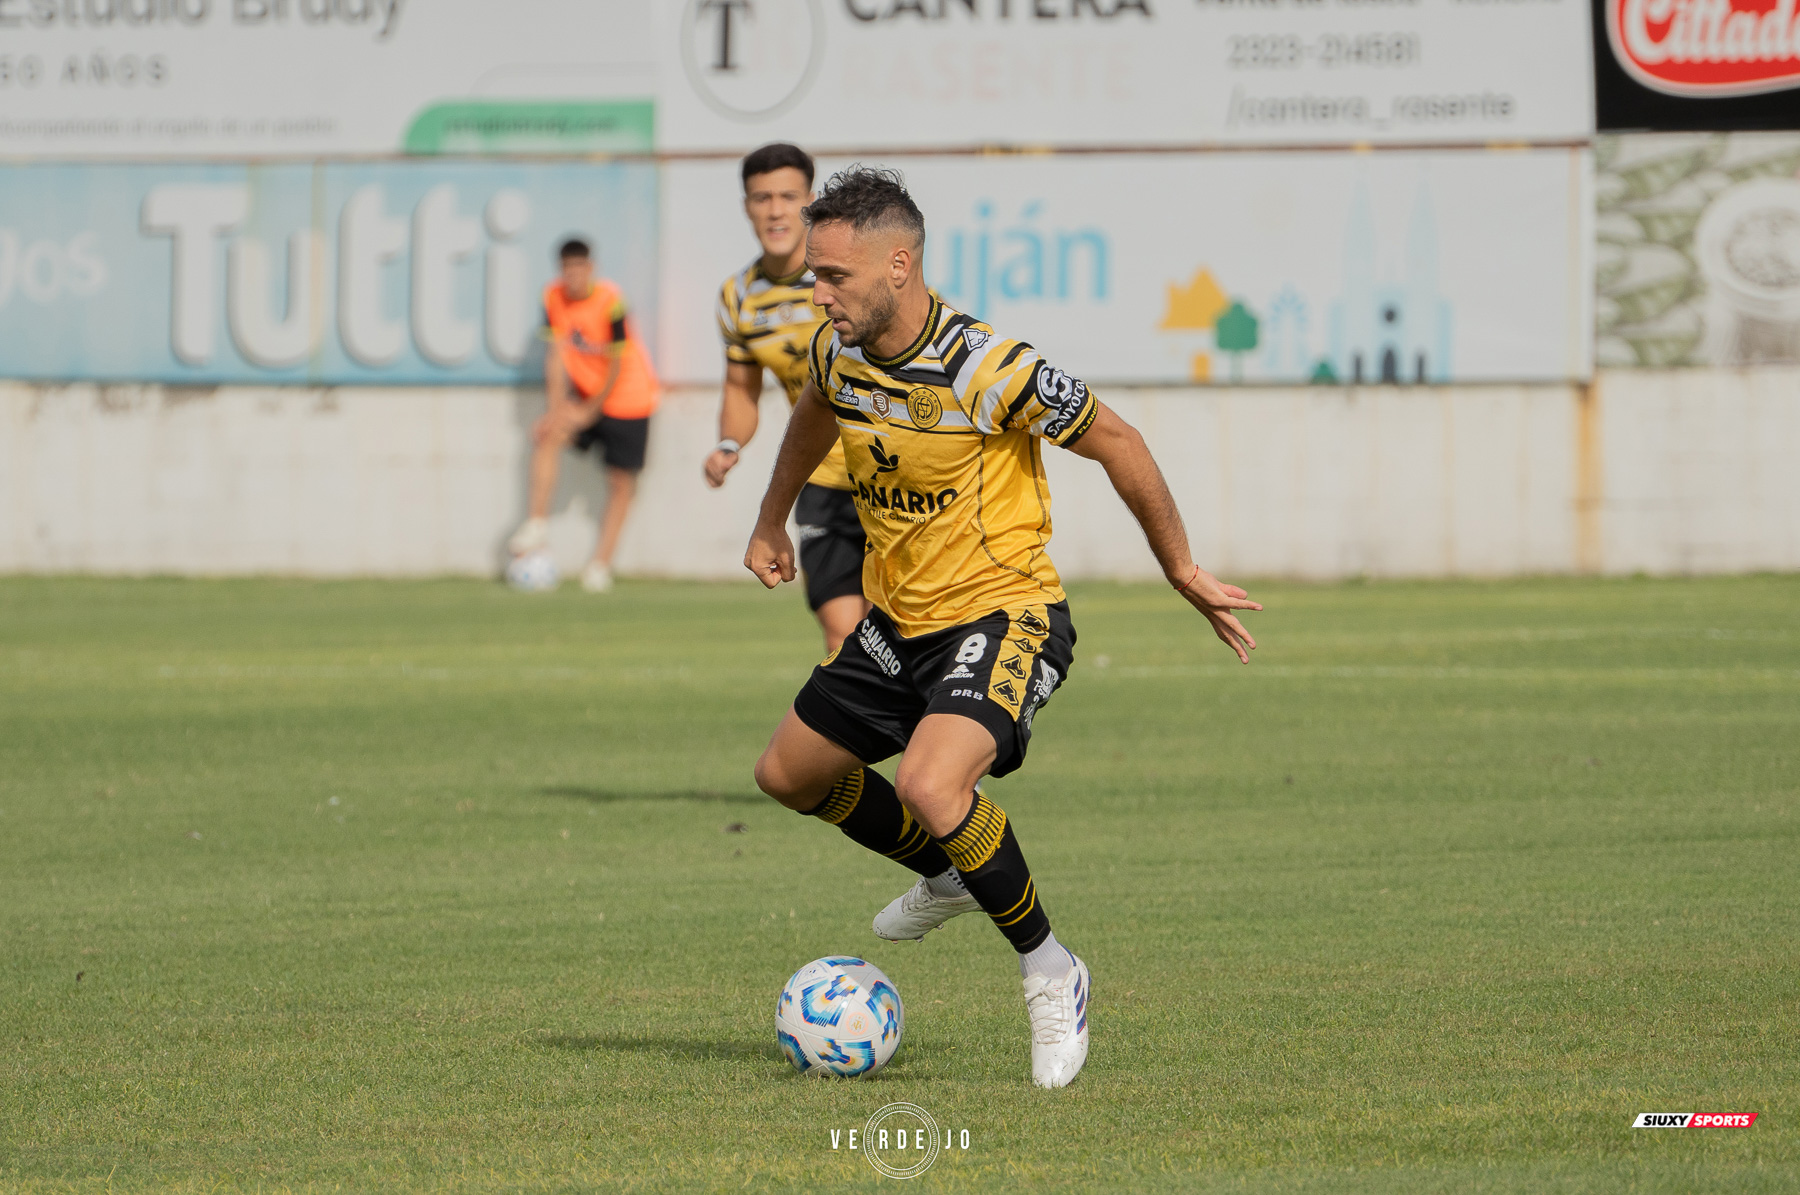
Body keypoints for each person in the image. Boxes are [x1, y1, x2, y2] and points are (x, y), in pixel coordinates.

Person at [743, 167, 1261, 1089]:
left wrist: (1181, 567)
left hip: (1005, 611)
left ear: (898, 265)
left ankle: (1051, 969)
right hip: (897, 622)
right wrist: (770, 515)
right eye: (813, 276)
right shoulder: (835, 350)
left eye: (834, 275)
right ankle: (947, 871)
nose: (816, 293)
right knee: (787, 773)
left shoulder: (991, 365)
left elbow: (1121, 442)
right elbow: (814, 412)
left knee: (932, 782)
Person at [705, 143, 869, 653]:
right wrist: (731, 441)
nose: (775, 210)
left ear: (810, 201)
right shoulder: (739, 298)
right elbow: (741, 387)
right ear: (746, 206)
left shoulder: (853, 275)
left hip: (892, 470)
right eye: (761, 198)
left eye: (786, 196)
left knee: (906, 635)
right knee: (843, 635)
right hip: (820, 478)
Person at [508, 238, 660, 593]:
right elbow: (556, 357)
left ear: (590, 267)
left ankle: (599, 566)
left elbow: (617, 360)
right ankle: (537, 523)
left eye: (579, 267)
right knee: (547, 433)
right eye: (566, 268)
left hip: (628, 398)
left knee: (621, 483)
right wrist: (558, 410)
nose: (573, 275)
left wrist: (591, 411)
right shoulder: (552, 297)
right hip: (587, 396)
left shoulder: (611, 300)